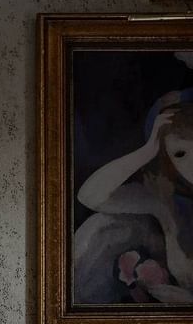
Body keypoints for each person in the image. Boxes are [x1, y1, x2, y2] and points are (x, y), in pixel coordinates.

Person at [74, 88, 193, 304]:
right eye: (180, 154)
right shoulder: (164, 201)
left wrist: (186, 302)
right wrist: (148, 151)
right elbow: (90, 196)